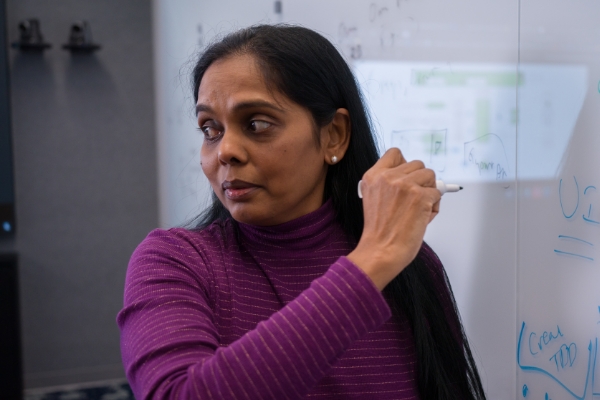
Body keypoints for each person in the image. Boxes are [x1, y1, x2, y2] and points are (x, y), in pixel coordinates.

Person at [117, 24, 486, 399]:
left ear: (334, 136)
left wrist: (380, 257)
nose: (225, 150)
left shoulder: (410, 267)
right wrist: (374, 258)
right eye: (210, 128)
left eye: (256, 124)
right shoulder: (174, 262)